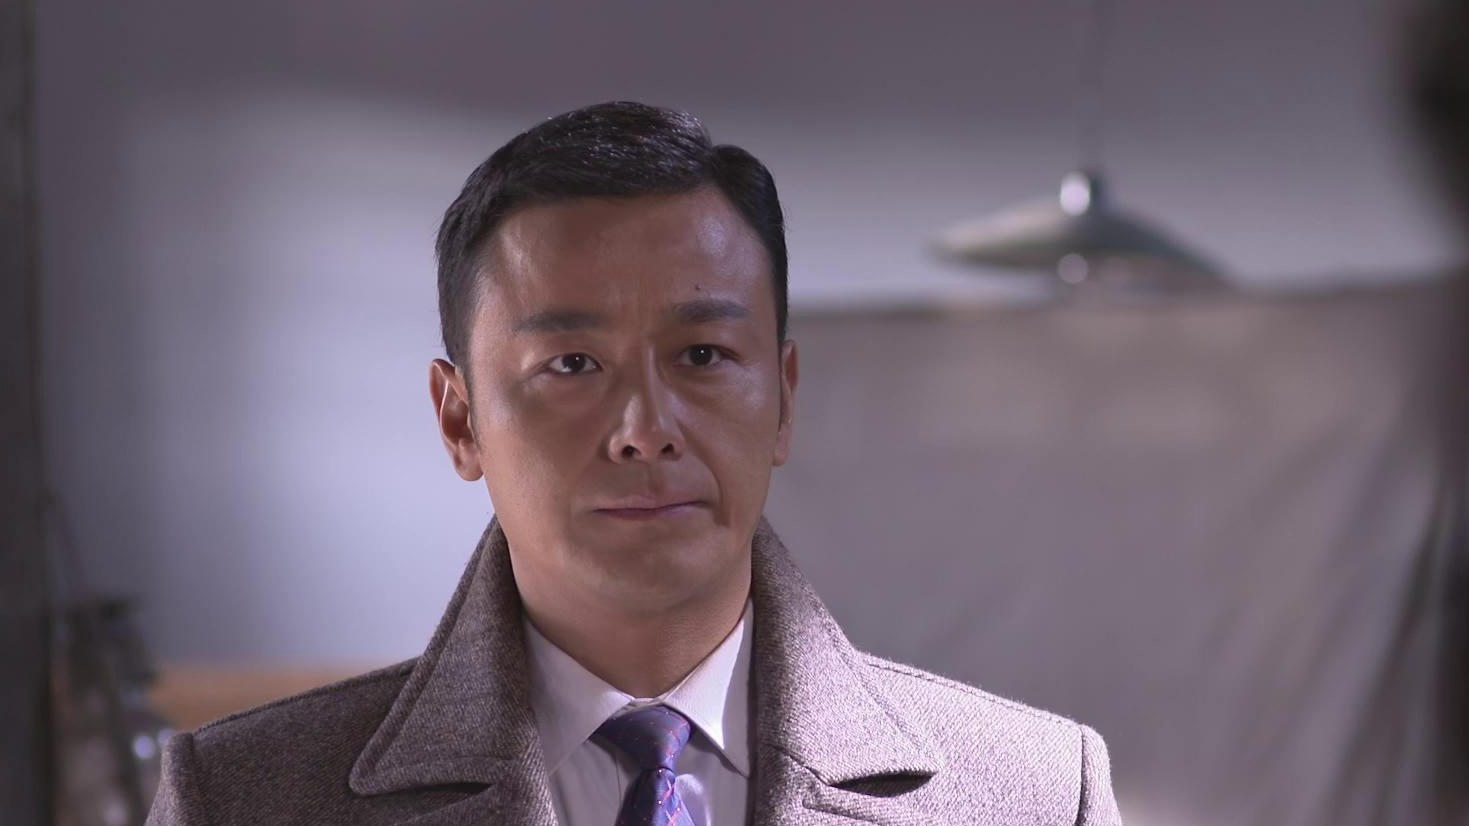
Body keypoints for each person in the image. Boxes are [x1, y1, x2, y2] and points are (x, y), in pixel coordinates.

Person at [146, 101, 1122, 825]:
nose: (644, 430)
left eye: (702, 355)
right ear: (460, 421)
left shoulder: (1034, 794)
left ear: (783, 399)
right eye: (572, 365)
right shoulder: (242, 798)